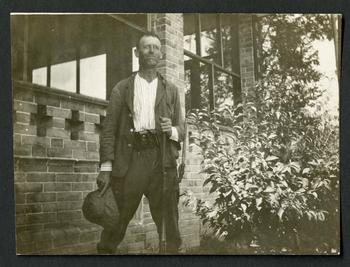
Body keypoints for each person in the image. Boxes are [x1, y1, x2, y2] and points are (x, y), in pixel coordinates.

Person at [96, 31, 184, 254]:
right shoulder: (122, 88)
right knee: (116, 220)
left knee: (169, 225)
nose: (151, 51)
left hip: (162, 161)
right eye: (146, 47)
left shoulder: (171, 90)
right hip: (131, 160)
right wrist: (106, 167)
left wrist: (171, 130)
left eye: (155, 47)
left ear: (161, 53)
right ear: (137, 52)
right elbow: (109, 130)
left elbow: (182, 129)